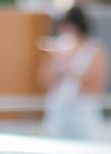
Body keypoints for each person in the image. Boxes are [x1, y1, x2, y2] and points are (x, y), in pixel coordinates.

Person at [39, 5, 107, 143]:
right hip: (58, 112)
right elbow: (43, 82)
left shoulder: (95, 51)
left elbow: (96, 88)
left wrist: (70, 69)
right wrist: (56, 64)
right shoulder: (57, 49)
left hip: (83, 114)